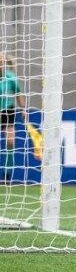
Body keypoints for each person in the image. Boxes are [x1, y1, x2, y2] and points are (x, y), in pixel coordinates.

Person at [0, 53, 27, 184]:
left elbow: (18, 94)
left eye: (2, 61)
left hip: (8, 111)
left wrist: (23, 109)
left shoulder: (10, 78)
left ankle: (7, 173)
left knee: (10, 142)